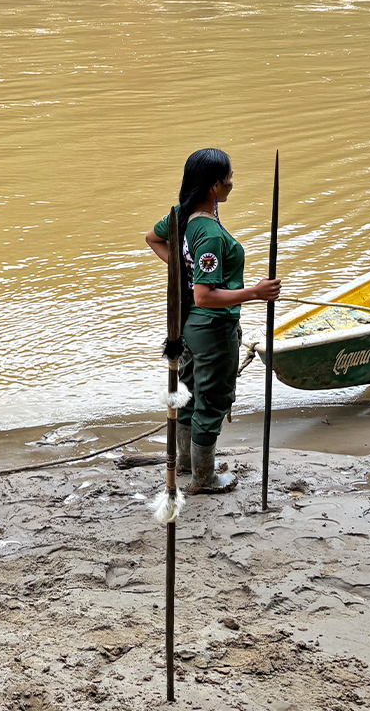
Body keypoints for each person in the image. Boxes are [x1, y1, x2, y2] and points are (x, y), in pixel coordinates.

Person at [143, 149, 280, 494]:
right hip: (212, 328)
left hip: (188, 325)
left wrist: (182, 270)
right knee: (214, 399)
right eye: (229, 177)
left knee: (188, 394)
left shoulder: (181, 214)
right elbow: (205, 295)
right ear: (214, 185)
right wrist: (256, 292)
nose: (233, 183)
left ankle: (188, 462)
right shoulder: (210, 235)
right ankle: (204, 478)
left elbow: (153, 238)